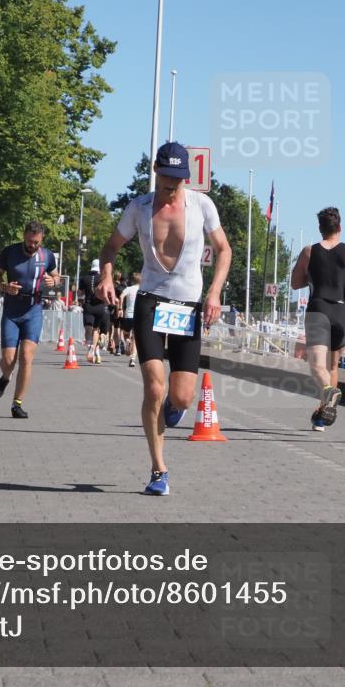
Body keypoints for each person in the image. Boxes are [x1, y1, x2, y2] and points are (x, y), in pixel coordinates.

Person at [96, 142, 232, 496]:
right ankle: (159, 469)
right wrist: (106, 277)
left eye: (179, 179)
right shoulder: (139, 208)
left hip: (186, 305)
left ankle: (173, 406)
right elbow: (110, 248)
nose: (172, 186)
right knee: (154, 387)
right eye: (167, 178)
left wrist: (215, 292)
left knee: (183, 398)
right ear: (156, 171)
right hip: (151, 302)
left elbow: (224, 250)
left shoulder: (202, 206)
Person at [291, 207, 345, 431]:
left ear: (320, 229)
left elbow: (295, 283)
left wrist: (312, 276)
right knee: (332, 366)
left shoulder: (309, 251)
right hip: (341, 311)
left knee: (317, 366)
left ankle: (329, 393)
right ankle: (322, 417)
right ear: (339, 227)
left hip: (318, 308)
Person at [0, 221, 59, 418]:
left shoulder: (47, 255)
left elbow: (56, 277)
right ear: (24, 235)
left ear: (41, 239)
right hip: (12, 310)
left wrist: (52, 281)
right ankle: (6, 376)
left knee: (27, 357)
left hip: (34, 310)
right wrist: (4, 286)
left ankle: (17, 403)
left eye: (36, 242)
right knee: (8, 360)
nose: (32, 245)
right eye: (29, 241)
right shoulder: (9, 252)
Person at [79, 259, 111, 363]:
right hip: (100, 306)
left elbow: (79, 293)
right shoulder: (102, 278)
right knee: (96, 329)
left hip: (88, 305)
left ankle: (90, 347)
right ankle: (94, 347)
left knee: (88, 329)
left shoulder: (84, 278)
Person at [118, 272, 141, 367]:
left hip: (128, 315)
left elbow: (121, 296)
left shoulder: (129, 288)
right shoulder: (142, 289)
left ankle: (127, 341)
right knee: (135, 337)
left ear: (132, 280)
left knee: (126, 333)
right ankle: (133, 359)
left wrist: (120, 308)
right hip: (138, 315)